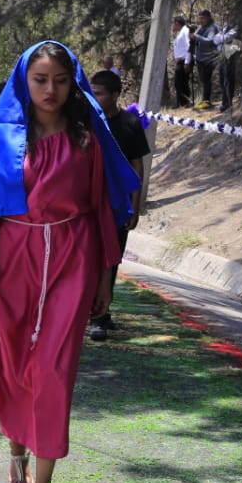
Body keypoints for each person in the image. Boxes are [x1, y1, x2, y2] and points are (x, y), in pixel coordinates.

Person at [0, 41, 139, 483]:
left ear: (72, 82)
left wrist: (103, 277)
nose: (50, 90)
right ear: (23, 83)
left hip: (71, 259)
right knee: (12, 367)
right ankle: (16, 449)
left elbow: (100, 211)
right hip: (12, 260)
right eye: (40, 80)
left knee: (54, 371)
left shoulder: (87, 139)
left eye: (59, 79)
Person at [87, 69, 150, 339]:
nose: (95, 98)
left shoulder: (129, 124)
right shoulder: (88, 122)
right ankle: (88, 312)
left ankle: (101, 315)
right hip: (89, 203)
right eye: (92, 93)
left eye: (99, 93)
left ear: (115, 95)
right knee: (87, 260)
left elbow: (137, 167)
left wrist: (134, 208)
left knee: (110, 260)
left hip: (117, 206)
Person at [192, 9, 220, 108]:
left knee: (206, 80)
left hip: (209, 59)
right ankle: (204, 100)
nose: (201, 20)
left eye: (203, 18)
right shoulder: (201, 26)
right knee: (203, 80)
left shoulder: (212, 28)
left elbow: (209, 41)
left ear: (208, 18)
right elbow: (195, 37)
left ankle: (207, 102)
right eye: (199, 18)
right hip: (200, 59)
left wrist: (196, 36)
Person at [172, 16, 193, 107]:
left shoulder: (185, 31)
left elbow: (189, 46)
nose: (173, 26)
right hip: (180, 61)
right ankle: (181, 103)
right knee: (179, 82)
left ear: (177, 23)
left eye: (174, 24)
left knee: (181, 82)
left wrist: (187, 62)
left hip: (185, 60)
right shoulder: (179, 32)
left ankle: (184, 102)